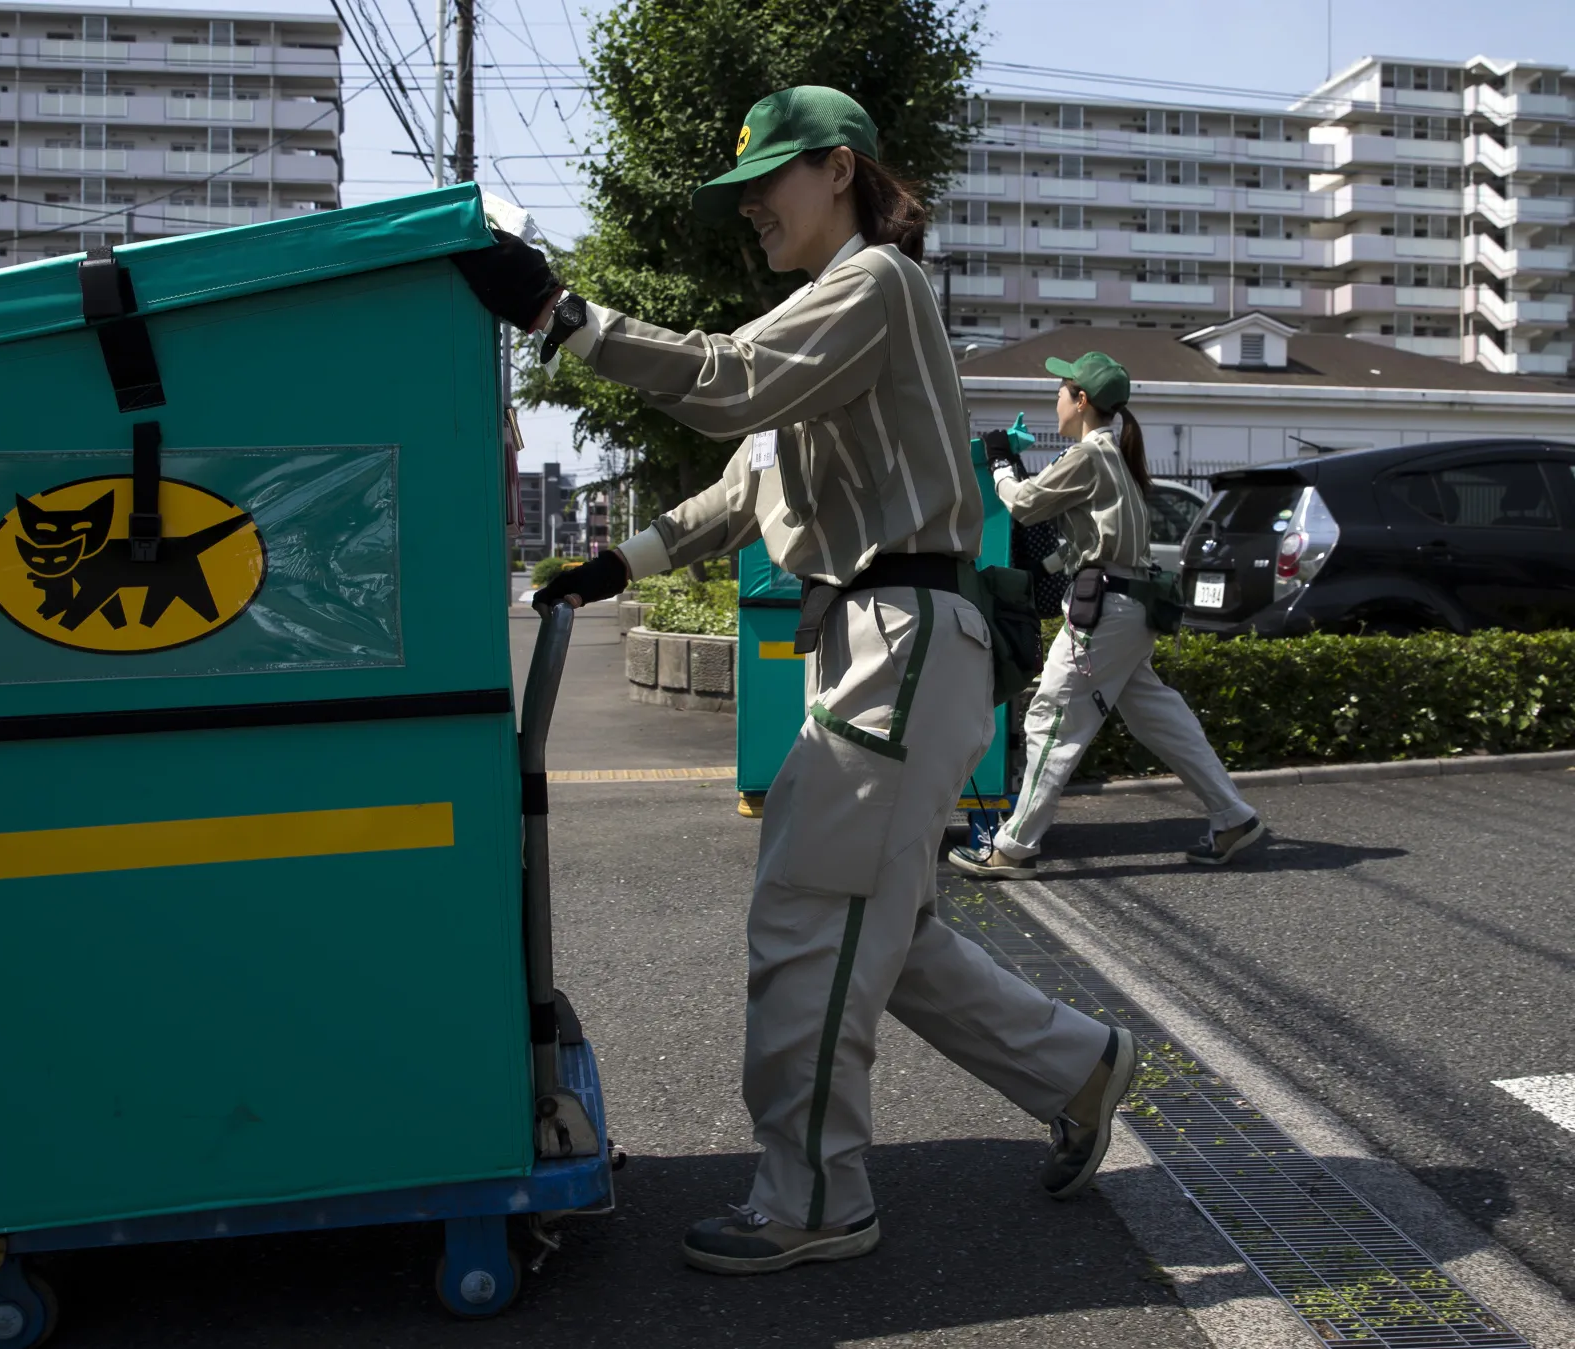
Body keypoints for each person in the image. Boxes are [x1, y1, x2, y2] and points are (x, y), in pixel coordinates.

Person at [449, 87, 1135, 1277]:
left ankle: (814, 1193)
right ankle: (1077, 1064)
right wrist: (621, 559)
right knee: (885, 926)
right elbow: (743, 482)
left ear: (839, 169)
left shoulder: (873, 286)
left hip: (895, 634)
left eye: (768, 179)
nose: (749, 205)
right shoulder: (825, 314)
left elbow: (725, 385)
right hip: (887, 640)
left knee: (809, 924)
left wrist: (559, 314)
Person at [947, 352, 1265, 881]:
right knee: (1159, 717)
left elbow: (1024, 505)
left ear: (1082, 401)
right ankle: (1234, 817)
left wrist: (1000, 463)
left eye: (1060, 391)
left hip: (1106, 611)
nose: (1055, 401)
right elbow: (1080, 542)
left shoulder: (1090, 454)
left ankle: (1014, 846)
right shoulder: (1112, 454)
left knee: (1050, 718)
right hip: (1132, 606)